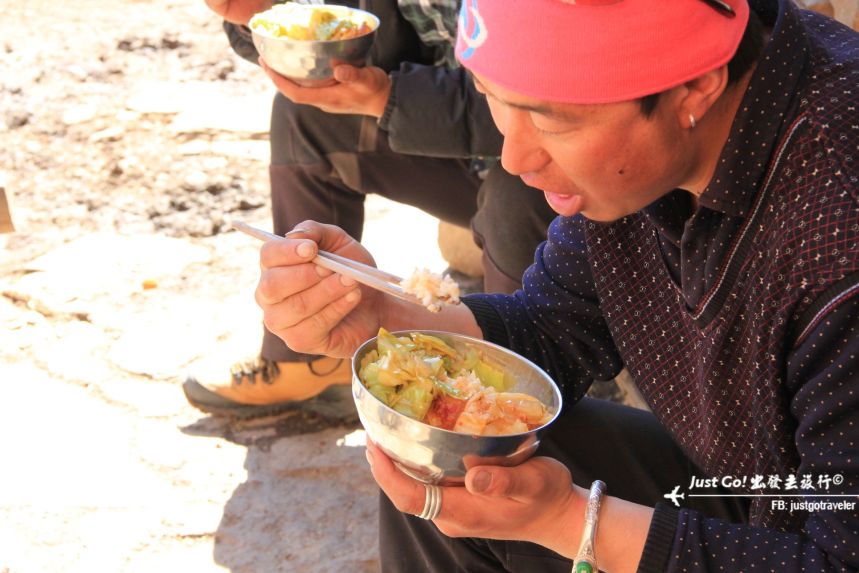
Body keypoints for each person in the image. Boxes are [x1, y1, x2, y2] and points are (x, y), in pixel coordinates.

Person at [251, 0, 859, 570]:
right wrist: (381, 317)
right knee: (448, 455)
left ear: (694, 86)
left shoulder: (838, 223)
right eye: (493, 98)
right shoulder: (638, 152)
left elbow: (835, 557)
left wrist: (572, 522)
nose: (515, 158)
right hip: (744, 487)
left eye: (548, 118)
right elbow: (553, 326)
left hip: (815, 531)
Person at [183, 0, 556, 418]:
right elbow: (345, 35)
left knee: (516, 189)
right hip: (456, 148)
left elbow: (549, 107)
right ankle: (314, 362)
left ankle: (503, 401)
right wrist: (267, 13)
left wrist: (388, 97)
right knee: (303, 117)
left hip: (551, 158)